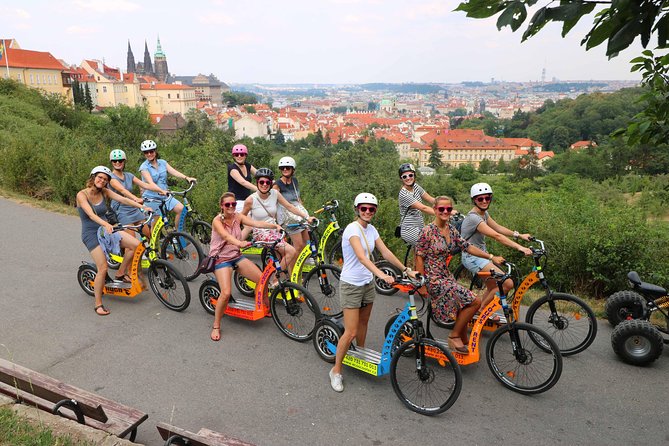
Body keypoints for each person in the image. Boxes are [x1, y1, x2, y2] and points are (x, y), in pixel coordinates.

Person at [329, 193, 416, 392]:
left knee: (364, 322)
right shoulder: (352, 229)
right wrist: (381, 275)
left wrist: (405, 269)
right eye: (364, 208)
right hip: (351, 285)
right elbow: (361, 257)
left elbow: (385, 252)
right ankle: (336, 371)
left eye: (371, 209)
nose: (368, 212)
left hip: (367, 284)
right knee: (350, 331)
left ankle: (359, 353)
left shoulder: (372, 229)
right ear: (357, 209)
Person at [415, 196, 505, 353]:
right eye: (441, 209)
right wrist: (422, 284)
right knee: (475, 301)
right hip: (433, 279)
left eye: (448, 209)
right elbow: (419, 258)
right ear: (435, 210)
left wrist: (491, 257)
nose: (445, 212)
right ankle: (454, 336)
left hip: (445, 275)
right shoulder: (427, 231)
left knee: (464, 301)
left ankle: (462, 335)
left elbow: (467, 246)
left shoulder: (451, 229)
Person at [76, 166, 151, 316]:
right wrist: (106, 224)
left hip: (107, 229)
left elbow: (123, 199)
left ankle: (121, 273)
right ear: (93, 177)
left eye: (105, 179)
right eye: (100, 177)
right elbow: (90, 215)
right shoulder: (82, 195)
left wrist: (142, 206)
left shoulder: (104, 192)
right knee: (102, 268)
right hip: (91, 233)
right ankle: (98, 304)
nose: (102, 181)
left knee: (137, 245)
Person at [210, 192, 283, 342]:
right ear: (221, 206)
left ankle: (266, 307)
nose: (231, 207)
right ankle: (216, 325)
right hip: (221, 259)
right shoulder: (217, 220)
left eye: (233, 204)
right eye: (227, 204)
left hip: (236, 256)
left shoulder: (238, 217)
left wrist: (274, 226)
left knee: (262, 279)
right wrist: (240, 243)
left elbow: (256, 223)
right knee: (225, 293)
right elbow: (226, 236)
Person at [460, 182, 532, 316]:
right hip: (473, 257)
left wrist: (519, 235)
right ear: (474, 200)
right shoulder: (473, 218)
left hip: (481, 256)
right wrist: (520, 248)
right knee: (507, 283)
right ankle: (481, 312)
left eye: (487, 198)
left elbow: (497, 227)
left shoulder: (483, 214)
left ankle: (478, 310)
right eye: (480, 199)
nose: (484, 201)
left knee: (493, 287)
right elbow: (497, 235)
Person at [241, 168, 314, 276]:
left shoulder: (275, 194)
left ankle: (284, 281)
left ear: (271, 183)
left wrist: (306, 217)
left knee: (281, 257)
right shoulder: (251, 200)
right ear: (257, 183)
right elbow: (242, 217)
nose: (264, 185)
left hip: (275, 230)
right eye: (261, 182)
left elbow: (289, 206)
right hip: (261, 232)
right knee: (291, 252)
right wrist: (251, 226)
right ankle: (275, 279)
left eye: (267, 182)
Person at [108, 149, 165, 237]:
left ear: (124, 161)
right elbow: (123, 190)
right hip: (121, 210)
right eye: (114, 161)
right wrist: (136, 198)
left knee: (148, 234)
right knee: (132, 240)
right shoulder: (111, 177)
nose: (117, 163)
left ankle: (150, 251)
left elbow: (144, 185)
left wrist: (161, 191)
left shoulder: (129, 175)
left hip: (133, 207)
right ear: (111, 162)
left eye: (120, 160)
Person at [138, 139, 196, 226]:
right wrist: (161, 191)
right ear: (144, 154)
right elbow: (151, 183)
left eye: (151, 151)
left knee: (181, 209)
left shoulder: (162, 163)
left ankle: (178, 235)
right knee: (158, 224)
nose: (149, 154)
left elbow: (174, 172)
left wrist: (187, 178)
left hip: (165, 196)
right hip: (152, 199)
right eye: (146, 152)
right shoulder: (144, 167)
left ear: (155, 151)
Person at [273, 156, 310, 256]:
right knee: (299, 246)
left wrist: (304, 213)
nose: (285, 169)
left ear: (293, 169)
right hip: (288, 217)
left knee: (307, 243)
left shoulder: (294, 181)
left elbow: (298, 198)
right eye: (282, 168)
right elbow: (274, 202)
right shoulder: (277, 185)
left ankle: (299, 265)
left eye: (288, 167)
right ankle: (293, 269)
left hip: (297, 214)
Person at [397, 163, 436, 246]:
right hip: (409, 230)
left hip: (419, 226)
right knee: (431, 247)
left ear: (414, 175)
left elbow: (431, 199)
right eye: (404, 176)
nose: (408, 178)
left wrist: (445, 205)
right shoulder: (404, 194)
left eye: (410, 175)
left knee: (421, 253)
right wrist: (443, 213)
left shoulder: (416, 187)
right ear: (401, 179)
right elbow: (423, 208)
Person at [227, 144, 257, 213]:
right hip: (236, 202)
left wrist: (271, 181)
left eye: (242, 154)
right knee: (248, 221)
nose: (239, 156)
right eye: (236, 155)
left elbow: (259, 174)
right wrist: (259, 190)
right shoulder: (232, 168)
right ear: (234, 156)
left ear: (245, 155)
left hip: (247, 200)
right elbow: (243, 182)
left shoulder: (247, 166)